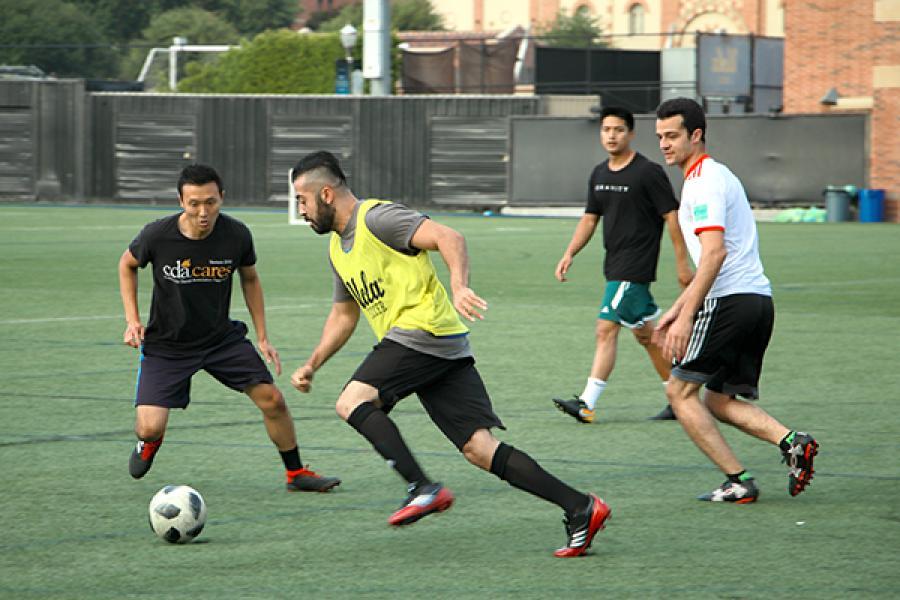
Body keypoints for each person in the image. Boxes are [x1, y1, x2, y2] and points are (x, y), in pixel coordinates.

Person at [288, 150, 609, 557]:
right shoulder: (338, 248)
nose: (300, 210)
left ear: (327, 194)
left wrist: (458, 286)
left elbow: (449, 237)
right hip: (440, 347)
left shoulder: (377, 219)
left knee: (353, 401)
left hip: (422, 334)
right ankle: (581, 507)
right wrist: (313, 363)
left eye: (302, 199)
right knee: (479, 448)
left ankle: (421, 487)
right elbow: (344, 315)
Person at [118, 163, 340, 493]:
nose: (203, 212)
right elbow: (127, 264)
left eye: (211, 202)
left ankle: (296, 474)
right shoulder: (157, 235)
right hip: (168, 344)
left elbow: (250, 278)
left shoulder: (236, 235)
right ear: (181, 201)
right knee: (149, 428)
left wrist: (262, 336)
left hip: (220, 340)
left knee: (273, 400)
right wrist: (132, 320)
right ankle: (149, 443)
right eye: (194, 204)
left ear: (222, 197)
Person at [653, 98, 818, 502]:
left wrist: (687, 315)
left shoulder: (705, 180)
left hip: (730, 301)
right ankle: (793, 442)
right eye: (659, 137)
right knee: (719, 400)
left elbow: (715, 254)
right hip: (756, 301)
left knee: (679, 393)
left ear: (696, 135)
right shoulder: (706, 177)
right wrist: (676, 310)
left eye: (672, 136)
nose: (664, 145)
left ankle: (739, 481)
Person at [552, 106, 693, 424]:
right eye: (606, 130)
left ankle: (586, 403)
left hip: (635, 265)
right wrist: (569, 252)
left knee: (605, 329)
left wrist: (682, 264)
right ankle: (680, 396)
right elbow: (590, 218)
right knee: (650, 337)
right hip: (613, 264)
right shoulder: (599, 174)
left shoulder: (648, 172)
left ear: (630, 134)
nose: (611, 135)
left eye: (618, 130)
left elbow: (672, 216)